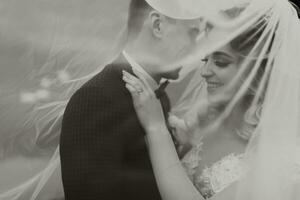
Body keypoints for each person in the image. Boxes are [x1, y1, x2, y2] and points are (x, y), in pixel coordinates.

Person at [122, 0, 300, 199]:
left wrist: (156, 129)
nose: (205, 72)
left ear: (258, 71)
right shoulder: (206, 120)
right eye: (205, 59)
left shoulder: (282, 156)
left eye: (221, 62)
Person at [59, 0, 207, 199]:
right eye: (192, 34)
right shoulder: (95, 99)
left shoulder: (159, 99)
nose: (194, 50)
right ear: (157, 25)